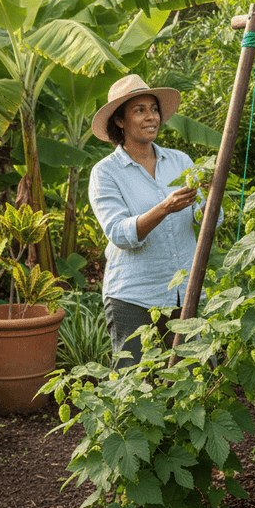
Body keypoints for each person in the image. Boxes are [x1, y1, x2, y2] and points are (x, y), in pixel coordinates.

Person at [88, 74, 223, 369]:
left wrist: (212, 197)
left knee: (196, 380)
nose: (151, 117)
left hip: (184, 293)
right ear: (120, 121)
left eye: (154, 109)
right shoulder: (106, 173)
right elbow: (119, 233)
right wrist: (164, 208)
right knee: (134, 388)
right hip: (134, 298)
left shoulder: (180, 161)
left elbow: (207, 222)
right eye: (139, 110)